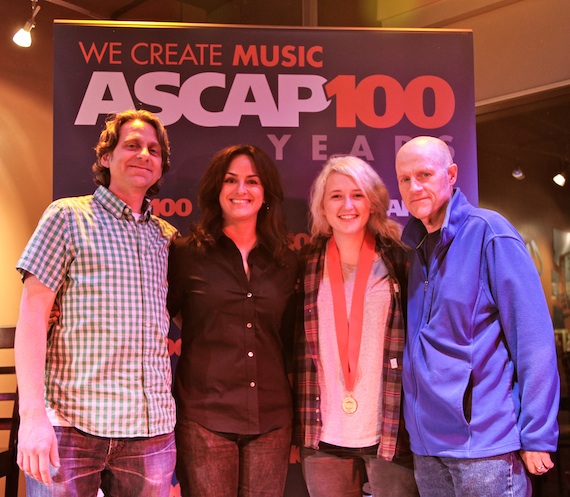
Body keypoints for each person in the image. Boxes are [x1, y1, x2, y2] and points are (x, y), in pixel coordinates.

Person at [15, 109, 178, 496]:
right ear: (106, 157)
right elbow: (34, 317)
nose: (144, 155)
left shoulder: (167, 238)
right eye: (132, 145)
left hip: (150, 433)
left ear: (161, 167)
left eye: (153, 150)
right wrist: (32, 417)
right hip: (71, 426)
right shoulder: (68, 216)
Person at [394, 136, 560, 497]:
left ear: (451, 174)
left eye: (424, 174)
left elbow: (534, 342)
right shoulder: (415, 247)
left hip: (485, 447)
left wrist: (538, 434)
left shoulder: (490, 232)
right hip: (428, 449)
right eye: (405, 179)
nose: (414, 186)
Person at [167, 144, 298, 497]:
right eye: (231, 180)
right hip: (204, 418)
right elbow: (159, 316)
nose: (242, 190)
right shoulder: (184, 254)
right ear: (216, 189)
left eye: (252, 181)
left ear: (266, 192)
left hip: (272, 420)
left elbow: (289, 342)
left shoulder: (287, 261)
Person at [294, 155, 418, 497]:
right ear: (322, 204)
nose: (347, 205)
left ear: (373, 201)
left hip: (391, 429)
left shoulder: (399, 259)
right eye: (336, 195)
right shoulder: (305, 264)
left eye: (357, 194)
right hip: (324, 431)